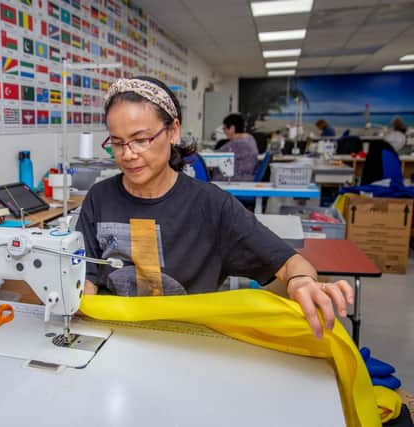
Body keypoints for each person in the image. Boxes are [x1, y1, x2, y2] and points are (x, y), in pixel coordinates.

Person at [76, 76, 354, 338]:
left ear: (173, 131)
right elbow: (86, 281)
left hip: (189, 342)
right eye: (117, 142)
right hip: (117, 337)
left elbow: (290, 262)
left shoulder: (211, 205)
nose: (128, 154)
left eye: (140, 139)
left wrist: (302, 281)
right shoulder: (100, 197)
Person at [214, 113, 258, 181]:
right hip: (248, 176)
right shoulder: (250, 138)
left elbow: (215, 156)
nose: (224, 132)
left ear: (232, 128)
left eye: (225, 129)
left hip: (238, 178)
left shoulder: (238, 143)